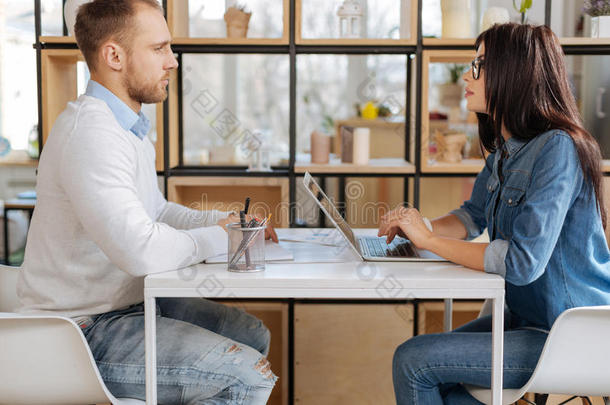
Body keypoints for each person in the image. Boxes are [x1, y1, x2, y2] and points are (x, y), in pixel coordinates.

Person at [16, 0, 279, 403]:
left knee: (251, 334)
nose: (172, 62)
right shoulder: (92, 134)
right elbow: (140, 250)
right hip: (81, 333)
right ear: (114, 56)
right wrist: (219, 237)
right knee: (247, 377)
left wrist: (223, 221)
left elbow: (154, 212)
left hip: (127, 306)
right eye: (159, 49)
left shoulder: (128, 127)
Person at [378, 23, 610, 404]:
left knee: (413, 361)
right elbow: (471, 217)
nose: (468, 75)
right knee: (436, 378)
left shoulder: (558, 148)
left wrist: (431, 241)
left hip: (567, 334)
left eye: (480, 65)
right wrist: (418, 228)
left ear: (514, 73)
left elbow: (522, 262)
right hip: (523, 321)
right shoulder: (507, 151)